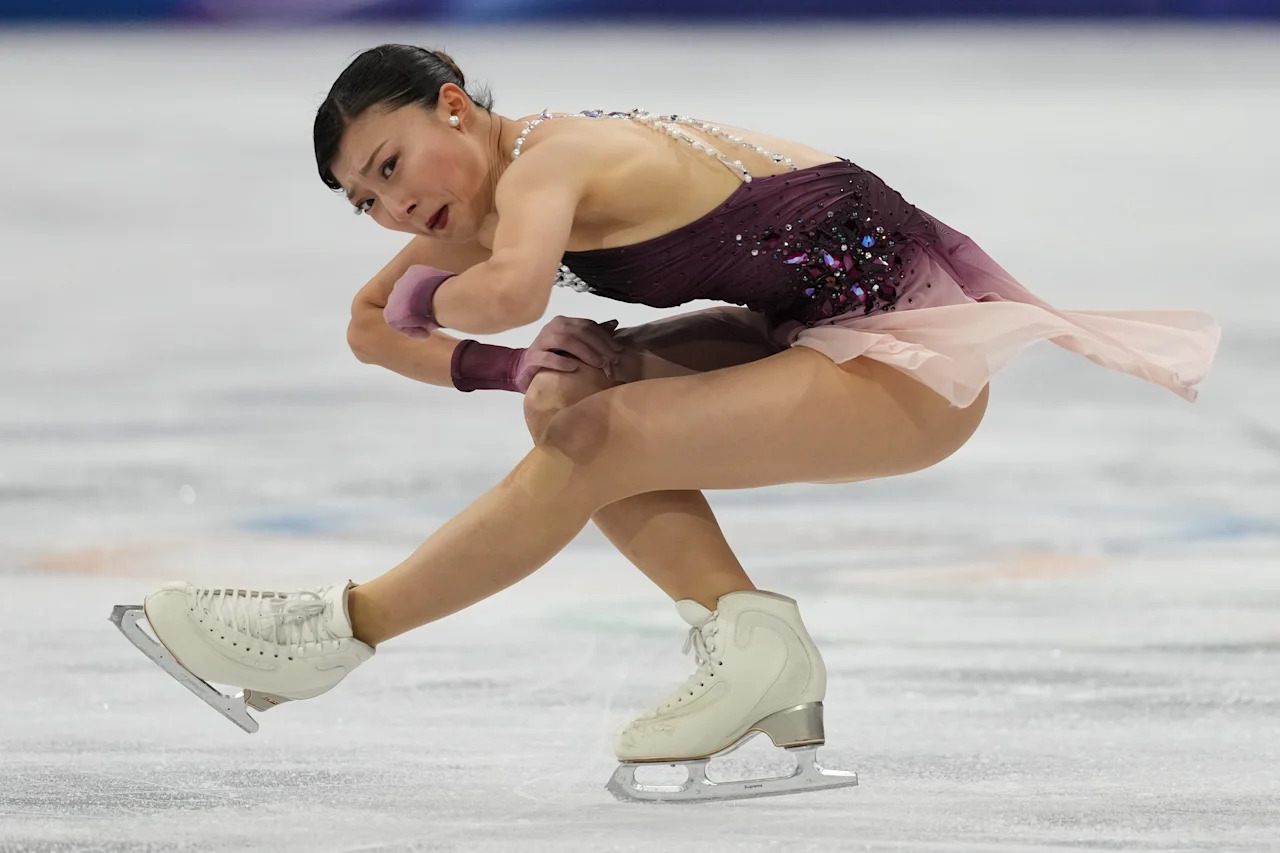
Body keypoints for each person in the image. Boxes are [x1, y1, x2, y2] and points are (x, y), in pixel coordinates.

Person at [120, 44, 1219, 801]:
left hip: (913, 366)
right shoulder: (492, 194)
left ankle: (336, 631)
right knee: (570, 399)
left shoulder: (552, 159)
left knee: (602, 436)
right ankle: (755, 647)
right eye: (364, 199)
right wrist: (511, 369)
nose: (393, 208)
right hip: (805, 335)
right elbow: (371, 326)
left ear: (452, 103)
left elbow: (498, 293)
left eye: (392, 166)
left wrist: (448, 300)